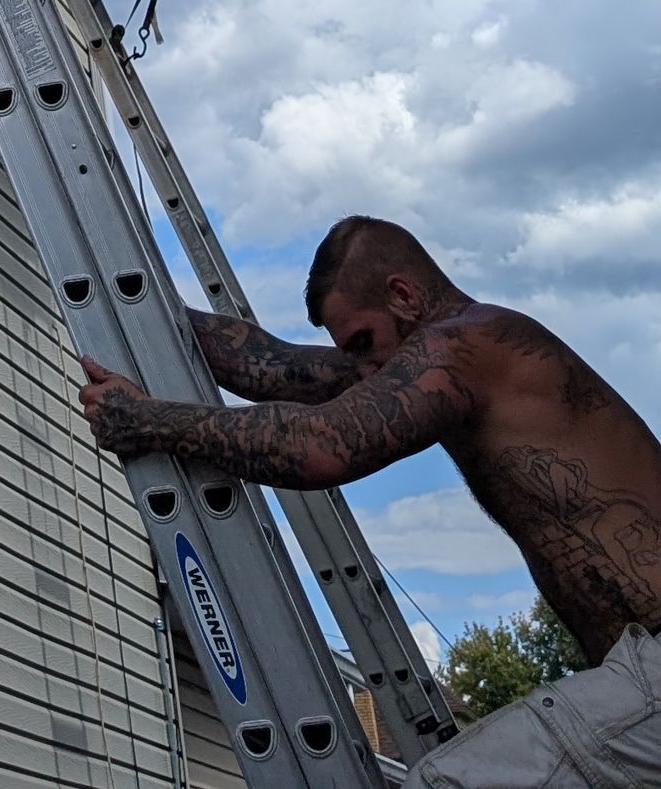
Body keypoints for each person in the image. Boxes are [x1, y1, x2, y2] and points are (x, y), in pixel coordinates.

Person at [78, 215, 661, 785]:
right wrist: (129, 304)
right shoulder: (440, 351)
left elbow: (319, 445)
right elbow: (280, 368)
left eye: (362, 343)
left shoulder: (465, 345)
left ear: (404, 295)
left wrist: (149, 421)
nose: (362, 368)